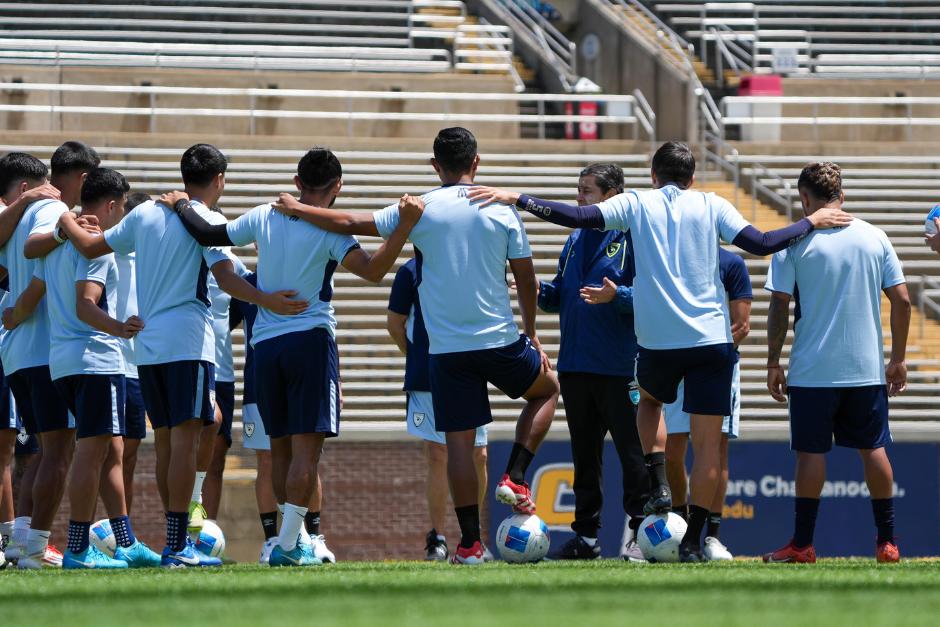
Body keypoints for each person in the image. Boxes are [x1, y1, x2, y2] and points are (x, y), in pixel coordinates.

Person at [468, 141, 851, 561]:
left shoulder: (637, 204)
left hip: (658, 344)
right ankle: (693, 540)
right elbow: (761, 243)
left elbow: (576, 216)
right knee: (707, 449)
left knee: (648, 405)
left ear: (653, 176)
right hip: (710, 341)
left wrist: (518, 198)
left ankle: (658, 486)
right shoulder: (712, 204)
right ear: (692, 178)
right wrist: (810, 222)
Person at [270, 128, 560, 566]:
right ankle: (517, 477)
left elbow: (351, 224)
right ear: (476, 163)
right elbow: (524, 278)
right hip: (497, 338)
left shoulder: (420, 208)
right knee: (548, 390)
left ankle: (468, 546)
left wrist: (299, 207)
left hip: (445, 349)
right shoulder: (499, 208)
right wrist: (533, 333)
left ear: (434, 167)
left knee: (458, 445)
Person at [165, 147, 422, 567]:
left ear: (297, 182)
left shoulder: (266, 214)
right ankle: (289, 544)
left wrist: (181, 204)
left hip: (264, 346)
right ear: (337, 187)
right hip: (310, 342)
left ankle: (291, 539)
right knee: (306, 452)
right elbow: (375, 270)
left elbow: (210, 235)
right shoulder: (331, 230)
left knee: (279, 449)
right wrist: (404, 229)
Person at [55, 143, 306, 567]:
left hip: (147, 345)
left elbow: (90, 247)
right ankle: (177, 545)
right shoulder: (206, 219)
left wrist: (64, 215)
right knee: (185, 444)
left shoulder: (144, 212)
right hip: (188, 341)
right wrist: (267, 300)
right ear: (219, 180)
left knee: (167, 443)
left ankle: (173, 542)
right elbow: (227, 277)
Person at [6, 167, 161, 568]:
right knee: (88, 454)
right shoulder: (95, 243)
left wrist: (11, 317)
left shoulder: (57, 241)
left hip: (60, 361)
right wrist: (120, 329)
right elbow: (85, 304)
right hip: (95, 358)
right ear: (111, 205)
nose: (123, 216)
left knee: (108, 449)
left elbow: (27, 295)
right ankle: (77, 547)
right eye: (123, 208)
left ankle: (123, 540)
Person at [763, 162, 909, 564]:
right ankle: (887, 542)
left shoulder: (794, 242)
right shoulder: (875, 237)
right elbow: (903, 299)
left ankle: (803, 544)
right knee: (874, 449)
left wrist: (773, 362)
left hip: (813, 369)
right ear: (841, 196)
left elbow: (779, 306)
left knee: (811, 454)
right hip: (864, 368)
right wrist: (897, 359)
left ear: (805, 199)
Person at [534, 164, 649, 562]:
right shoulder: (575, 239)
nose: (580, 198)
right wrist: (537, 291)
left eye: (587, 191)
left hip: (619, 366)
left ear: (613, 194)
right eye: (578, 189)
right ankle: (586, 539)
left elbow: (649, 297)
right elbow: (560, 297)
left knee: (633, 454)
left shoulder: (633, 237)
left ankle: (640, 533)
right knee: (584, 457)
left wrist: (618, 297)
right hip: (576, 365)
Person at [0, 141, 101, 568]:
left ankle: (23, 540)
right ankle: (37, 548)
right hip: (46, 351)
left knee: (40, 452)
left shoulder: (15, 215)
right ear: (79, 178)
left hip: (19, 351)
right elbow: (41, 249)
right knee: (58, 452)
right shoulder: (46, 209)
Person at [387, 257, 490, 562]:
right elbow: (395, 323)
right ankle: (438, 537)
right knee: (437, 453)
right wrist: (419, 356)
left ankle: (473, 536)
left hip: (467, 372)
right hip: (426, 376)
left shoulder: (468, 264)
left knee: (478, 454)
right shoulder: (410, 271)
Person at [230, 268, 336, 565]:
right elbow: (221, 323)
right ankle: (278, 539)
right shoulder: (247, 284)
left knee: (307, 455)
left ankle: (312, 537)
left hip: (305, 370)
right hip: (260, 379)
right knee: (270, 457)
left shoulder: (303, 273)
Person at [663, 248, 752, 562]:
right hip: (675, 365)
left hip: (717, 366)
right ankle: (679, 528)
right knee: (671, 451)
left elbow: (741, 325)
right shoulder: (674, 257)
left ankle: (711, 536)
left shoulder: (731, 263)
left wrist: (705, 352)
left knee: (716, 450)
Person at [0, 152, 56, 567]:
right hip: (16, 344)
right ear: (25, 188)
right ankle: (17, 543)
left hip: (14, 344)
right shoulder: (11, 212)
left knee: (13, 447)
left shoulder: (17, 224)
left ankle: (12, 540)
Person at [116, 191, 151, 515]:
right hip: (111, 363)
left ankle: (123, 528)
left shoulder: (153, 257)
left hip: (141, 366)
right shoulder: (108, 250)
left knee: (129, 455)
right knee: (108, 452)